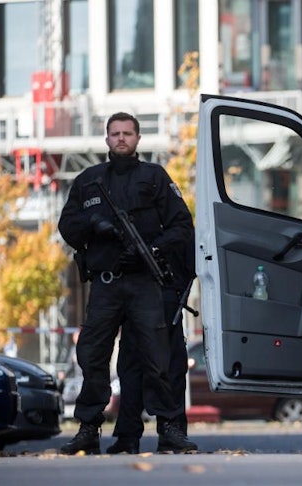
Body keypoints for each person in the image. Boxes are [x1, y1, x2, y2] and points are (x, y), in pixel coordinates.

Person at [57, 112, 197, 454]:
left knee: (158, 358)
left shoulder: (155, 178)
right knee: (92, 354)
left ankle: (169, 428)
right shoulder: (88, 181)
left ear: (137, 139)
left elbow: (181, 226)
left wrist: (152, 249)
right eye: (115, 133)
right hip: (105, 286)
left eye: (127, 133)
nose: (121, 138)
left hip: (145, 284)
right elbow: (67, 226)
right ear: (106, 139)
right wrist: (94, 225)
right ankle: (89, 429)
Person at [106, 232, 195, 454]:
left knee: (168, 366)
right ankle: (133, 435)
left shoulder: (167, 205)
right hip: (138, 292)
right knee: (131, 368)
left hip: (163, 292)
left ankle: (169, 432)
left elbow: (186, 242)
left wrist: (175, 288)